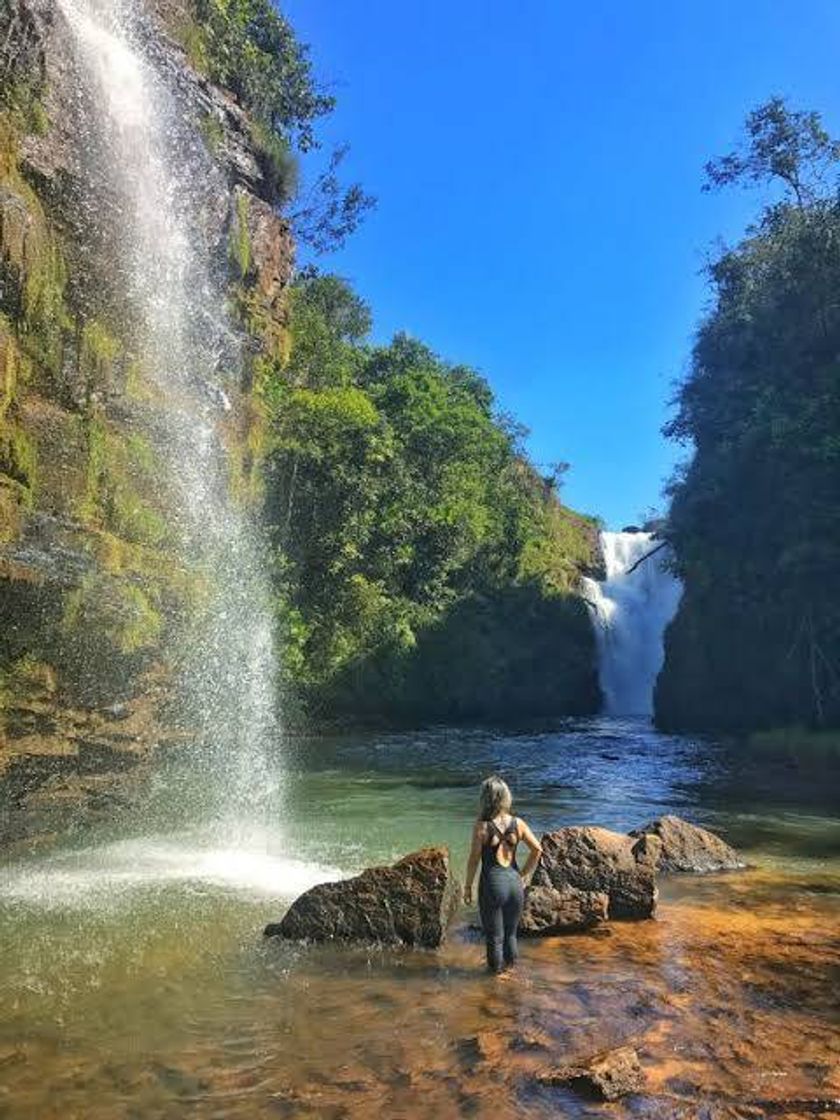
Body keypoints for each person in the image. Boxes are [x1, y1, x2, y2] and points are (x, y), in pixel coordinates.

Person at [464, 775, 542, 974]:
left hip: (493, 885)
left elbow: (474, 859)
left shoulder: (482, 826)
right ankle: (510, 974)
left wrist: (467, 887)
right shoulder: (519, 823)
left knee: (494, 937)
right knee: (511, 935)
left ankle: (495, 982)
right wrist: (523, 874)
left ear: (485, 798)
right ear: (506, 797)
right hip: (514, 883)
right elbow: (537, 850)